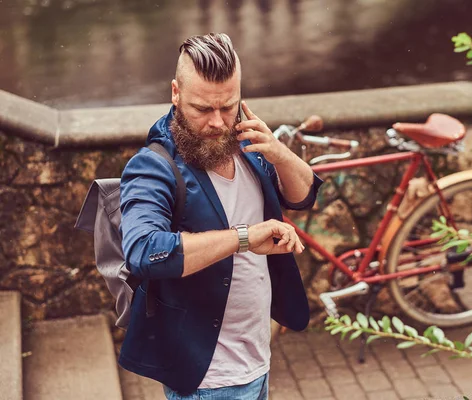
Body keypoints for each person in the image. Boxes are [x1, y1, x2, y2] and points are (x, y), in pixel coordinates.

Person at [118, 33, 323, 399]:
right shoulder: (152, 167)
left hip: (257, 359)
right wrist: (244, 237)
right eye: (202, 109)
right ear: (176, 94)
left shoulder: (247, 142)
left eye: (228, 106)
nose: (217, 123)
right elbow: (143, 251)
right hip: (206, 379)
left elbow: (304, 196)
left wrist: (279, 153)